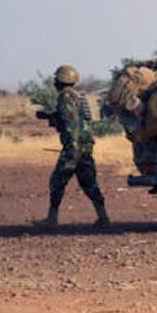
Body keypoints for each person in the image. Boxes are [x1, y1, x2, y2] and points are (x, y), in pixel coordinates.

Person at [32, 66, 109, 229]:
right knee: (89, 182)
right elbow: (79, 120)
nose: (54, 82)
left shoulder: (65, 96)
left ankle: (51, 219)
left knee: (57, 181)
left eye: (56, 79)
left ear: (61, 80)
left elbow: (71, 122)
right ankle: (103, 216)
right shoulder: (79, 96)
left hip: (74, 147)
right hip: (86, 145)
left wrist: (71, 148)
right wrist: (50, 116)